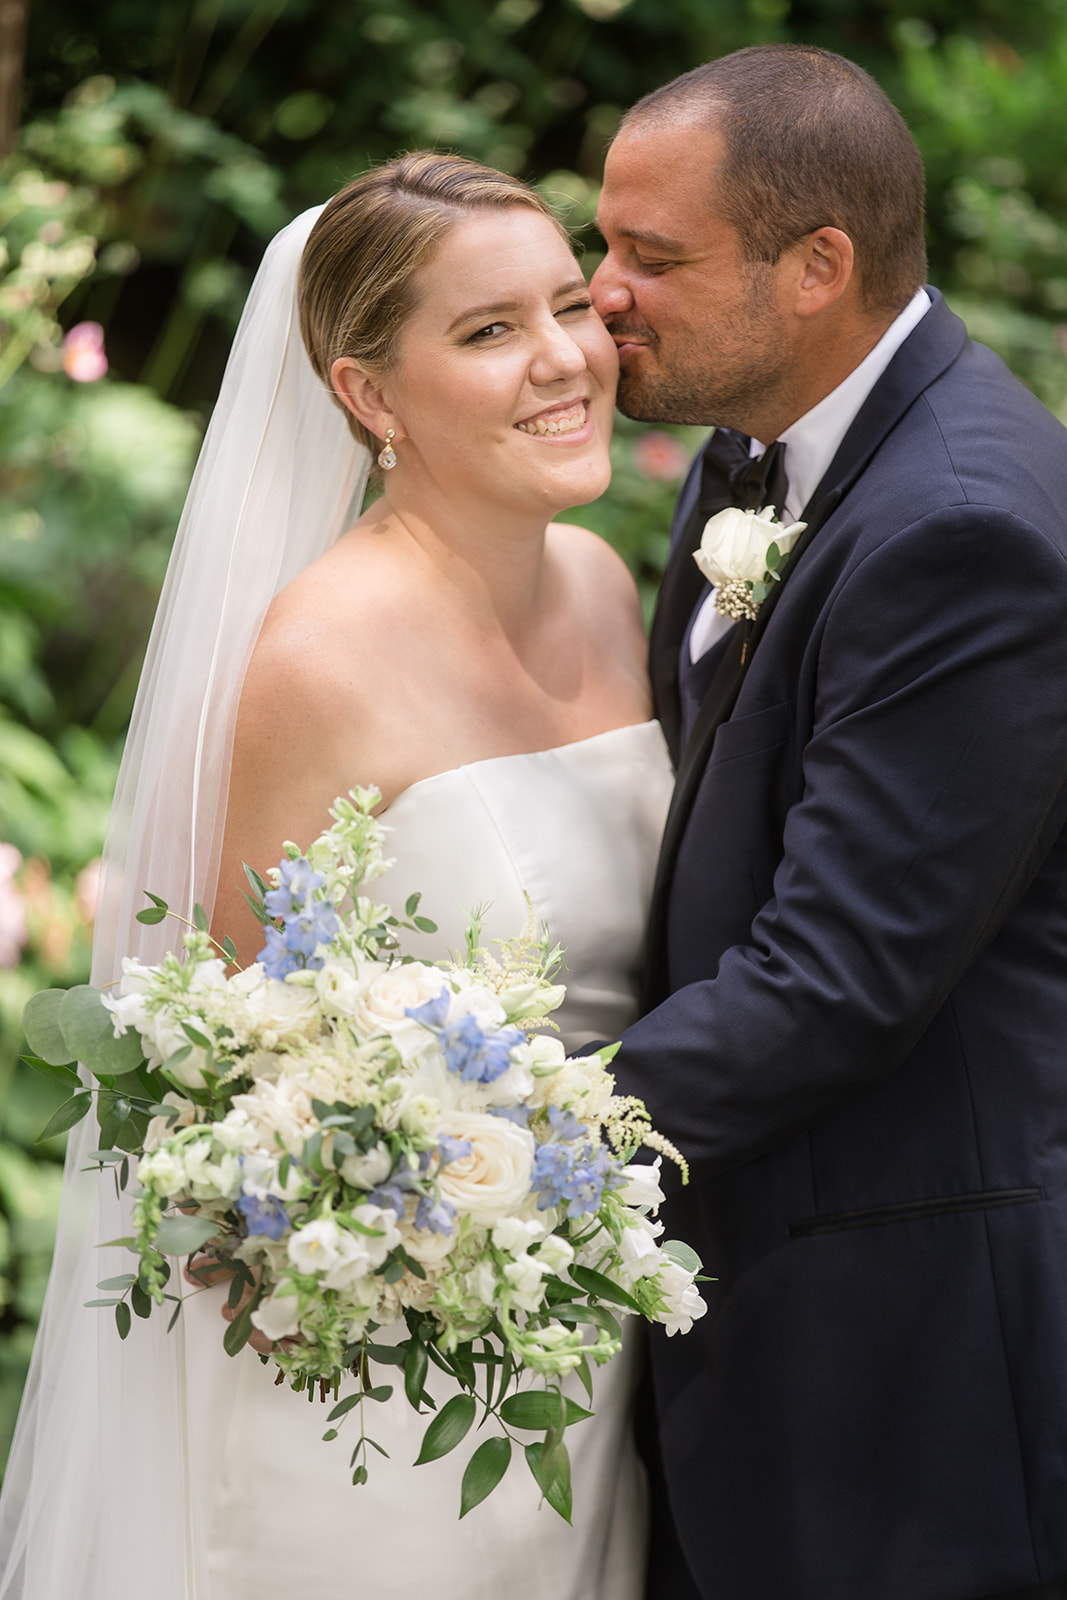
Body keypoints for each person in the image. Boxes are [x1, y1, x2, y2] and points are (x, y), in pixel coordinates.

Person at [0, 153, 673, 1600]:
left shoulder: (611, 591)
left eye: (569, 305)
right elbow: (219, 1059)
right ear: (368, 395)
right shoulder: (316, 661)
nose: (564, 359)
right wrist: (382, 1234)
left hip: (589, 1351)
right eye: (488, 331)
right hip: (386, 1394)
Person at [592, 43, 1067, 1600]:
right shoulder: (762, 442)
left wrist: (488, 1142)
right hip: (752, 1304)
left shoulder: (963, 526)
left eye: (650, 257)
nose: (605, 292)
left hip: (904, 1350)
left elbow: (834, 979)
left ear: (819, 267)